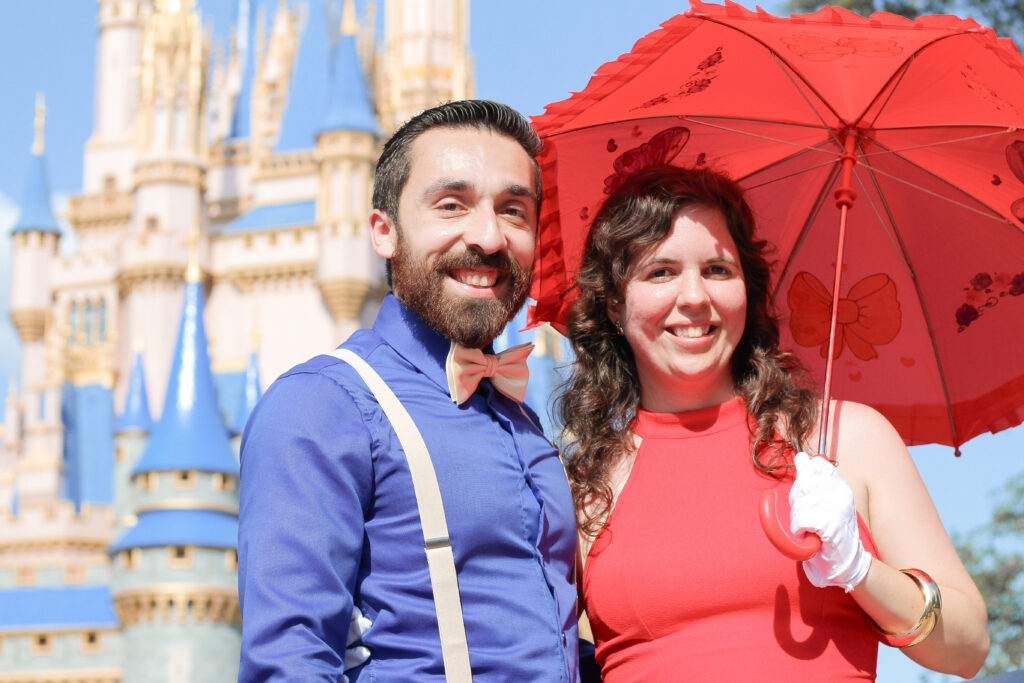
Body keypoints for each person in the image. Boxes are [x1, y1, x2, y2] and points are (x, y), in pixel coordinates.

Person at [559, 164, 990, 680]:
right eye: (661, 272)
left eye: (718, 270)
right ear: (613, 304)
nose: (695, 297)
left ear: (749, 289)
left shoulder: (845, 438)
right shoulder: (583, 487)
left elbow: (968, 647)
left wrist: (859, 569)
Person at [237, 100, 579, 681]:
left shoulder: (523, 419)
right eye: (453, 205)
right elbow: (289, 660)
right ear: (384, 231)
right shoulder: (323, 405)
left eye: (514, 211)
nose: (489, 237)